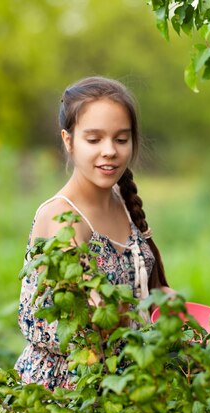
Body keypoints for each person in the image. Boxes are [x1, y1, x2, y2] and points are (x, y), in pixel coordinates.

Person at [14, 76, 170, 390]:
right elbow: (93, 325)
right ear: (68, 140)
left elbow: (143, 289)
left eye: (121, 139)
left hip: (125, 376)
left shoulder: (122, 202)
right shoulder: (63, 217)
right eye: (94, 139)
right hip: (71, 389)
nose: (110, 151)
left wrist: (170, 306)